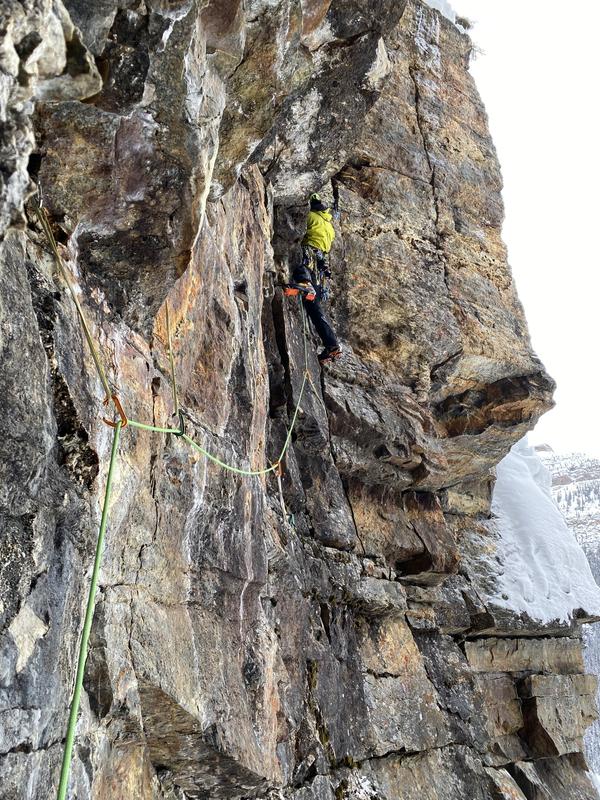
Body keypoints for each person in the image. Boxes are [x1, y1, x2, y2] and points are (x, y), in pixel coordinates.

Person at [284, 192, 342, 365]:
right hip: (321, 263)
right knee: (314, 307)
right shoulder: (329, 225)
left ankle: (305, 284)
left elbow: (298, 231)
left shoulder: (310, 216)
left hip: (309, 252)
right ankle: (331, 344)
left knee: (299, 264)